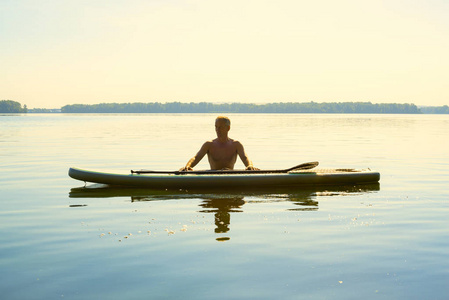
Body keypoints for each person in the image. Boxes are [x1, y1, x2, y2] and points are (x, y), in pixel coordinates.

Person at [180, 116, 259, 171]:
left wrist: (250, 166)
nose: (217, 130)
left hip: (230, 176)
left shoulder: (236, 145)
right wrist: (188, 166)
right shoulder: (208, 145)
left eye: (220, 127)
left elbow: (245, 158)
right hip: (213, 176)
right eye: (216, 127)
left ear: (228, 128)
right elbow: (196, 158)